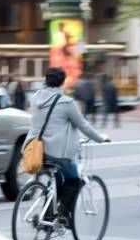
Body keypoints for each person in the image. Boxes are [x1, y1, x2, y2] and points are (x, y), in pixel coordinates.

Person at [23, 67, 110, 225]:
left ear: (46, 80)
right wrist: (100, 138)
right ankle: (62, 214)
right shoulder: (66, 103)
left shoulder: (35, 98)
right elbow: (83, 125)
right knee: (74, 180)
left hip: (34, 149)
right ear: (63, 82)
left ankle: (48, 217)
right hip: (56, 153)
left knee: (55, 181)